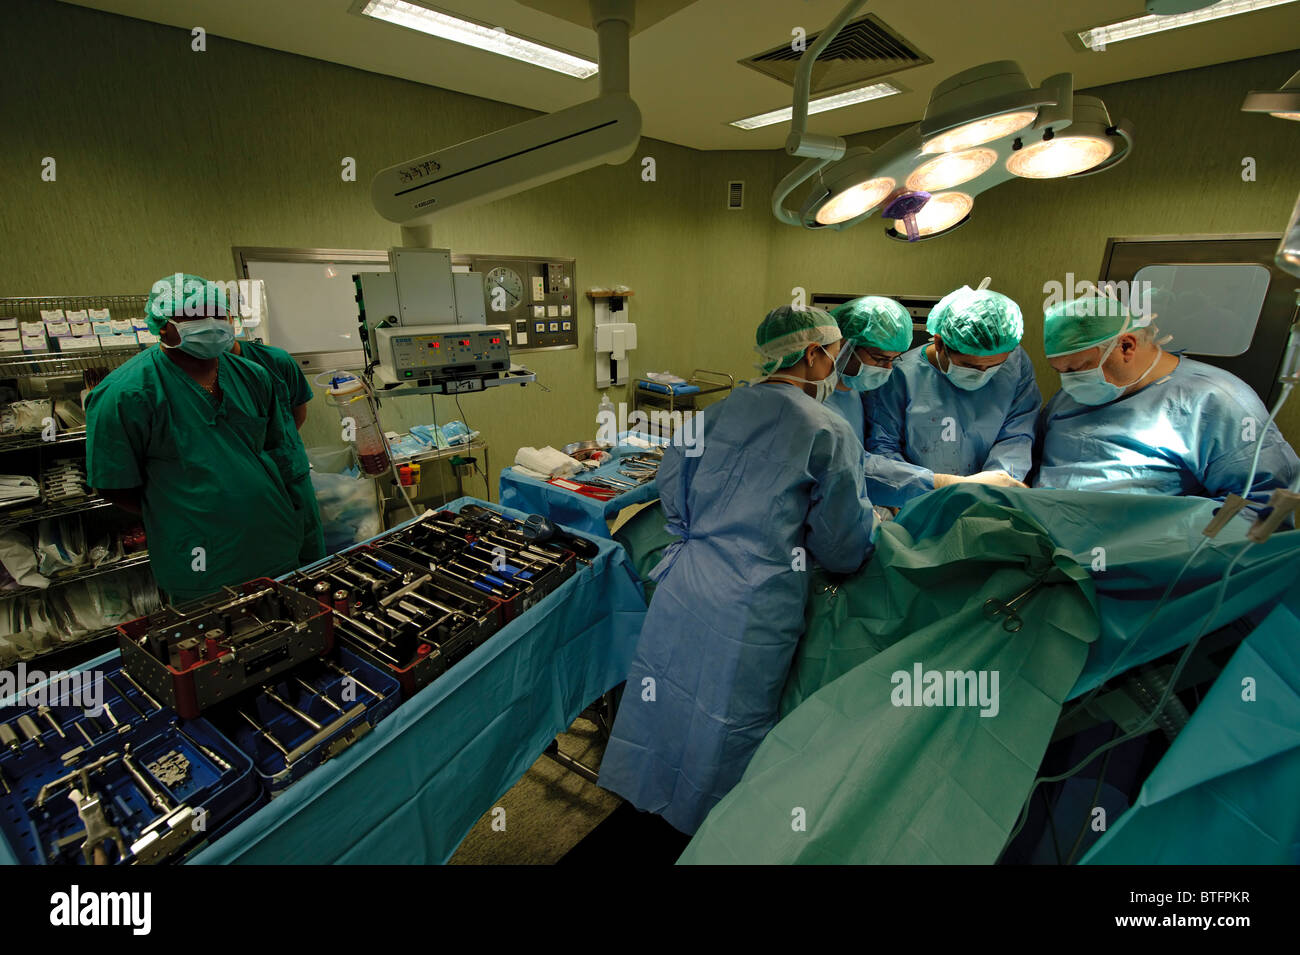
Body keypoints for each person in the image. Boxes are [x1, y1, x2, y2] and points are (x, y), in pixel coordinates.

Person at [597, 305, 877, 835]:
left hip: (686, 583)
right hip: (754, 600)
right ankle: (710, 832)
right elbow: (843, 547)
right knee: (726, 720)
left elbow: (672, 500)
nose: (841, 364)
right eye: (838, 353)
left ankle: (647, 798)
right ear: (815, 354)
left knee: (668, 696)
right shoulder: (827, 430)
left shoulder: (711, 416)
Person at [86, 274, 303, 603]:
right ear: (162, 324)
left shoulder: (254, 376)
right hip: (200, 556)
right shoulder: (125, 393)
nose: (211, 323)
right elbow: (113, 483)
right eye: (195, 316)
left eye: (219, 313)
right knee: (214, 643)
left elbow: (269, 447)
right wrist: (184, 511)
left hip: (272, 540)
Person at [1034, 294, 1299, 500]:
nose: (1069, 381)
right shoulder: (1071, 396)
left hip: (1136, 555)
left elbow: (1257, 504)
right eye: (1059, 371)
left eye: (1076, 369)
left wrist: (1165, 545)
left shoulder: (1216, 400)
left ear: (1126, 346)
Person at [864, 283, 1042, 507]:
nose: (983, 374)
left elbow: (1018, 434)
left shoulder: (1016, 363)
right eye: (970, 366)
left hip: (987, 503)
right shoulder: (899, 377)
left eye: (994, 366)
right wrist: (928, 488)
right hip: (919, 502)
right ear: (939, 343)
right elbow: (883, 448)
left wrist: (994, 485)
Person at [230, 334, 325, 565]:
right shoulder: (178, 377)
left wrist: (277, 450)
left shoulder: (275, 361)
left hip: (289, 475)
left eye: (216, 315)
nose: (207, 322)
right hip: (237, 489)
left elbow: (296, 416)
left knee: (310, 561)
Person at [824, 295, 913, 445]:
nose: (888, 368)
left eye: (893, 359)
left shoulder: (854, 389)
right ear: (845, 346)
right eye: (880, 358)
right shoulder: (816, 399)